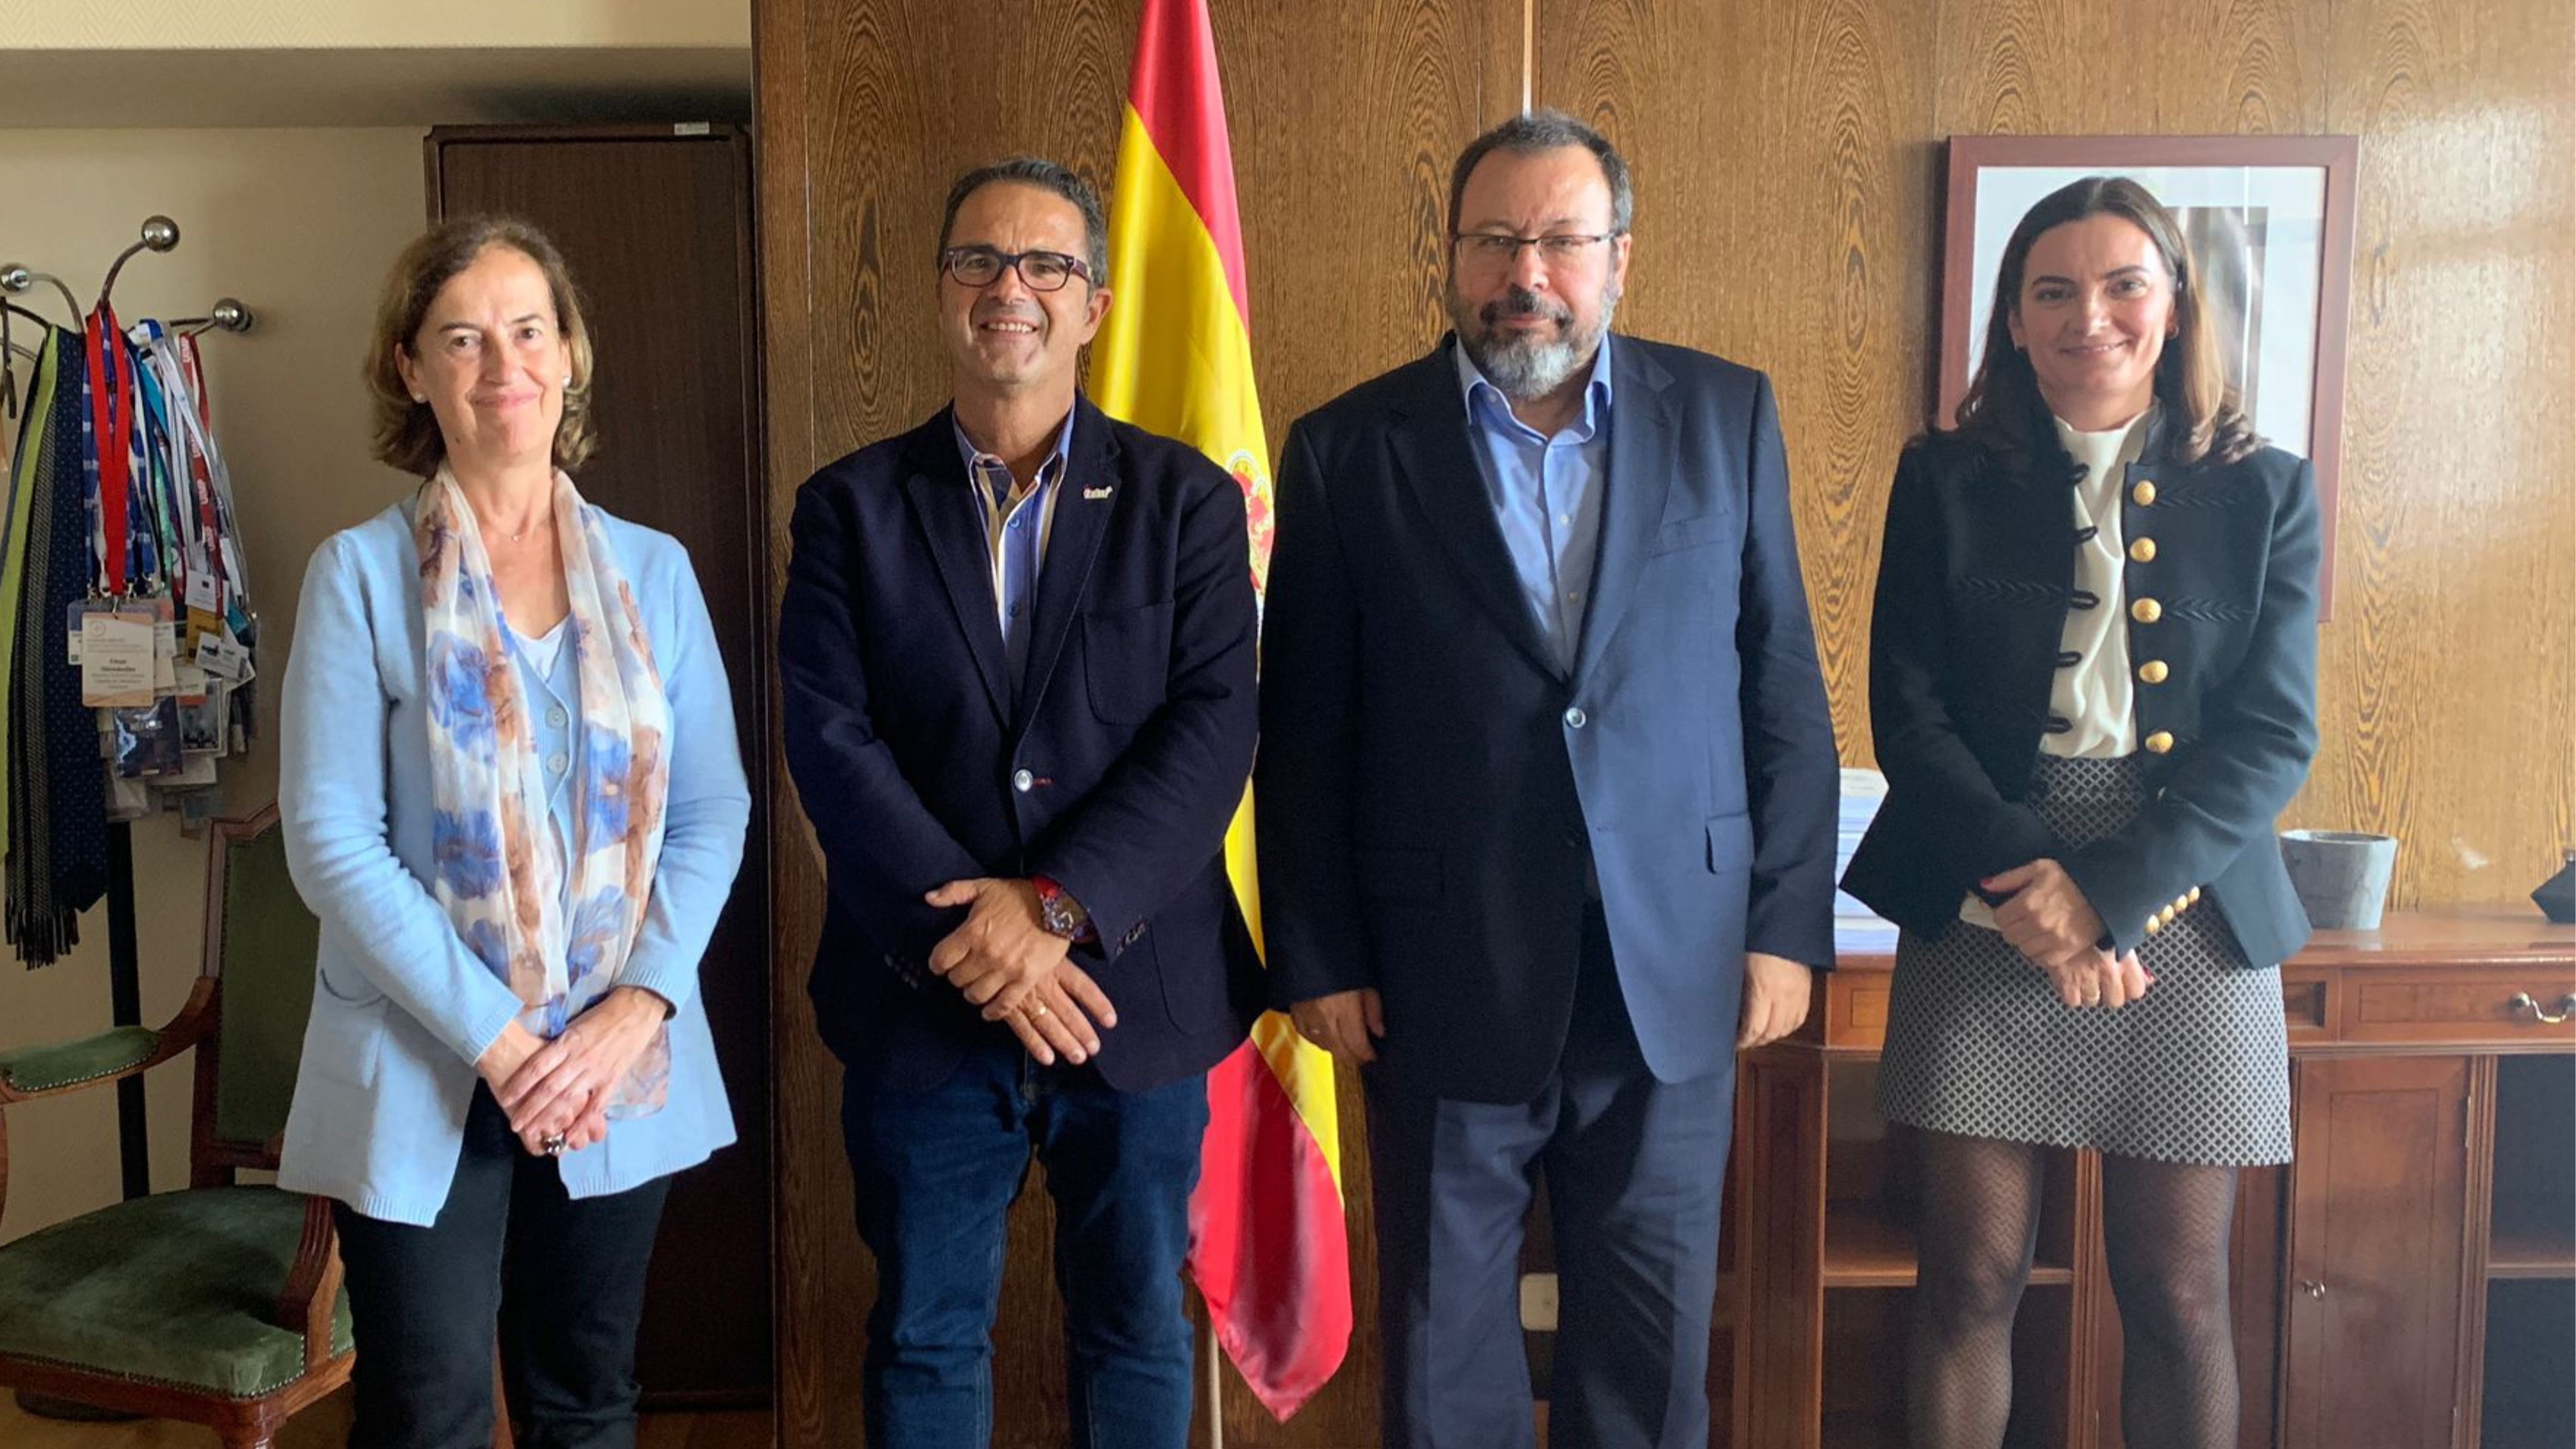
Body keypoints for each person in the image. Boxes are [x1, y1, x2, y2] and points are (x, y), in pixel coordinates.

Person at [1256, 111, 1840, 1448]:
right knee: (1441, 1350)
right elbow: (1305, 731)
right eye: (1496, 239)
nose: (1529, 271)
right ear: (1451, 256)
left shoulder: (1727, 414)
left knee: (1647, 1351)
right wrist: (1320, 951)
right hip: (1434, 972)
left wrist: (1782, 927)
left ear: (1619, 257)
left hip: (1674, 969)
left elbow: (1781, 687)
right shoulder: (1348, 448)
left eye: (1563, 240)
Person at [778, 157, 1261, 1449]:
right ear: (942, 293)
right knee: (926, 1336)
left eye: (1046, 264)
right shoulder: (848, 509)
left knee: (1136, 1330)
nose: (1012, 289)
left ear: (1094, 305)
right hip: (920, 995)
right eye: (981, 261)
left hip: (1136, 992)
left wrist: (1051, 910)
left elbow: (1214, 735)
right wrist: (983, 941)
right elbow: (829, 740)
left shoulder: (1187, 507)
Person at [1839, 175, 2321, 1448]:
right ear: (2011, 317)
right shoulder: (1941, 476)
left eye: (2123, 285)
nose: (2088, 316)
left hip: (2194, 895)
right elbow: (1909, 711)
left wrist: (2107, 896)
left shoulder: (2268, 487)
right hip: (1987, 881)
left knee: (2177, 1293)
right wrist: (2031, 886)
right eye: (2053, 289)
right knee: (1970, 1282)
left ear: (2173, 306)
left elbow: (2275, 735)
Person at [275, 216, 750, 1449]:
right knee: (425, 1410)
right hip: (425, 1060)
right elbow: (330, 839)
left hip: (614, 1067)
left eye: (530, 330)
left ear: (573, 353)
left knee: (585, 1402)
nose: (505, 366)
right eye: (464, 337)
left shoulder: (655, 574)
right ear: (410, 368)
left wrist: (632, 1010)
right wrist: (500, 1044)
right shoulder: (360, 576)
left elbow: (711, 811)